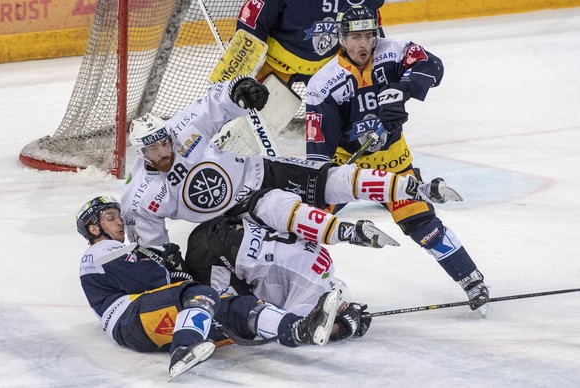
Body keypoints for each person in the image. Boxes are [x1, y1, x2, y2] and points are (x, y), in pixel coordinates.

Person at [121, 76, 453, 252]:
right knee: (286, 214)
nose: (165, 151)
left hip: (259, 169)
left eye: (164, 142)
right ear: (141, 154)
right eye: (155, 149)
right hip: (235, 215)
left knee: (329, 178)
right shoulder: (140, 195)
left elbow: (214, 103)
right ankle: (352, 234)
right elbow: (151, 245)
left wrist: (238, 90)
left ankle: (413, 187)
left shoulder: (182, 130)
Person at [304, 5, 489, 312]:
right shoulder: (322, 85)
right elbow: (318, 151)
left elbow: (434, 66)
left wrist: (401, 89)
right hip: (348, 170)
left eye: (368, 35)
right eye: (355, 37)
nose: (363, 44)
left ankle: (471, 279)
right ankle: (305, 289)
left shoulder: (394, 51)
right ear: (341, 39)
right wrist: (343, 157)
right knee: (309, 219)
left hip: (394, 162)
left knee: (421, 223)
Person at [76, 195, 341, 381]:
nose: (119, 222)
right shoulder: (98, 251)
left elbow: (158, 279)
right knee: (197, 292)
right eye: (110, 218)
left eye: (119, 217)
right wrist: (168, 267)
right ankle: (184, 348)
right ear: (93, 227)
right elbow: (150, 279)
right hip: (129, 319)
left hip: (151, 320)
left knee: (237, 309)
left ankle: (299, 328)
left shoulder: (116, 250)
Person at [184, 214, 372, 342]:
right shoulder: (314, 291)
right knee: (240, 318)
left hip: (216, 228)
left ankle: (179, 271)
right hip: (213, 257)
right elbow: (304, 330)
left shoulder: (324, 261)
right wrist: (344, 327)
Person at [236, 0, 384, 86]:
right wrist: (243, 69)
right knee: (243, 102)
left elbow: (372, 31)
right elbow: (254, 20)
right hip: (274, 63)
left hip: (329, 67)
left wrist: (385, 76)